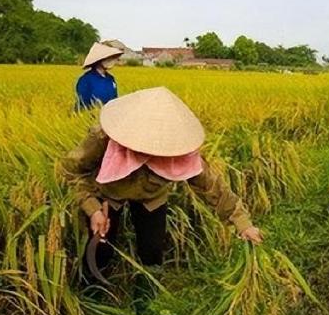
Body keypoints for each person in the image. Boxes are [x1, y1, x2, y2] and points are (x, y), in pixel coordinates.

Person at [59, 87, 263, 284]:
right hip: (107, 194)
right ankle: (92, 291)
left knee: (152, 251)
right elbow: (72, 172)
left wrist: (243, 224)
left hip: (152, 197)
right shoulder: (104, 138)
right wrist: (93, 208)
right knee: (100, 248)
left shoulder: (181, 151)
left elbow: (213, 188)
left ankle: (147, 296)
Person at [75, 42, 123, 111]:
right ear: (99, 59)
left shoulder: (111, 79)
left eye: (113, 57)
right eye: (108, 57)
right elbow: (83, 105)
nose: (112, 60)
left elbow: (114, 102)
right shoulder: (85, 80)